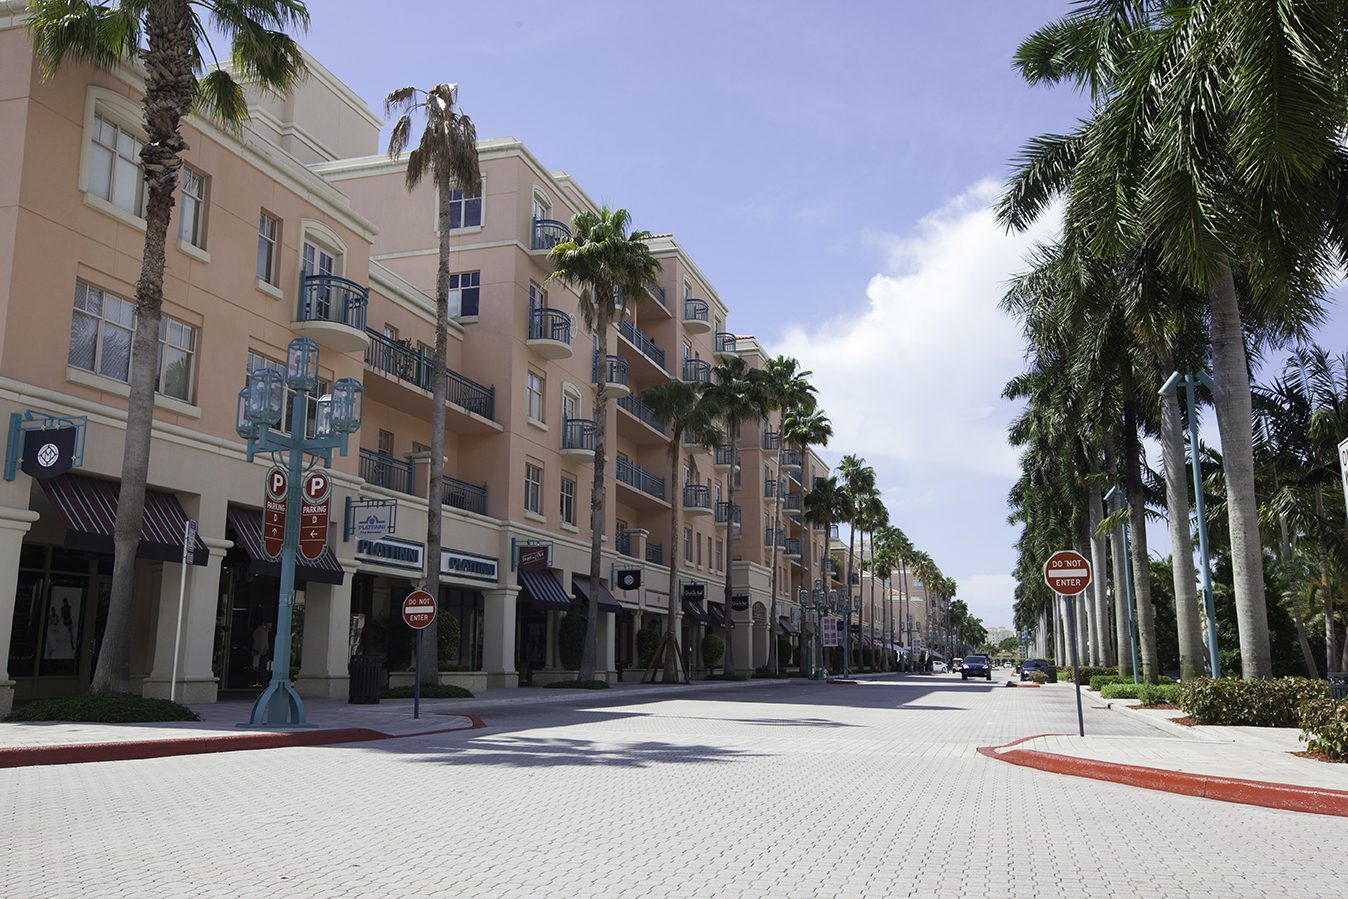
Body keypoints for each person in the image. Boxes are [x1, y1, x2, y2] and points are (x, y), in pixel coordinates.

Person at [251, 621, 272, 686]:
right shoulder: (258, 630)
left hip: (264, 651)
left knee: (263, 666)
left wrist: (267, 649)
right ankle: (257, 681)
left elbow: (265, 641)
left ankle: (262, 681)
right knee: (256, 666)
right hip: (257, 650)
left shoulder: (266, 631)